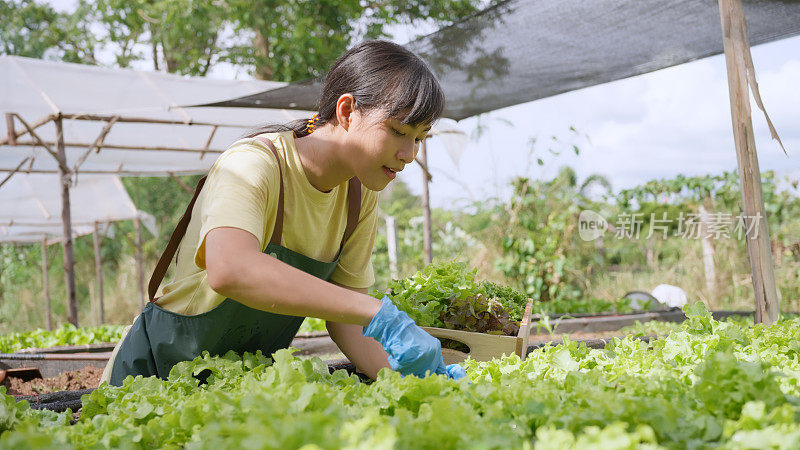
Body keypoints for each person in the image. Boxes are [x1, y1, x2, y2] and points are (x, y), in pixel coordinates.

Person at [101, 40, 466, 386]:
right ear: (346, 112)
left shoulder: (359, 197)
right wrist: (377, 313)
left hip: (234, 387)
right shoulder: (255, 164)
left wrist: (418, 379)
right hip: (151, 376)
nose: (408, 154)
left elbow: (347, 325)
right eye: (398, 130)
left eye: (419, 138)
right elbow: (231, 268)